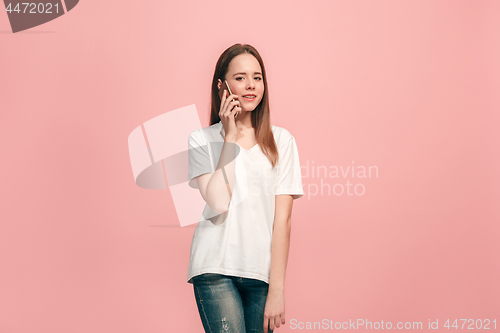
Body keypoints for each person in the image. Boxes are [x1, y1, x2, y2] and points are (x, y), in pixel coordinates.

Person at [187, 43, 304, 333]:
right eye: (240, 78)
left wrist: (278, 289)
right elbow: (218, 202)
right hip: (215, 267)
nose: (251, 85)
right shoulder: (201, 140)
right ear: (221, 86)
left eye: (257, 77)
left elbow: (283, 220)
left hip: (261, 272)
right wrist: (229, 138)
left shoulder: (282, 141)